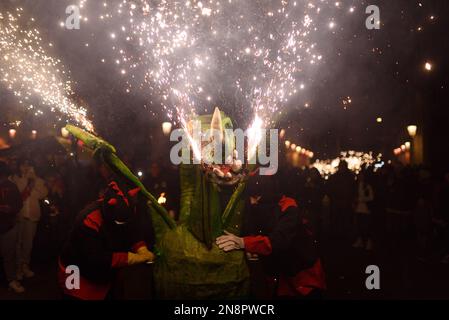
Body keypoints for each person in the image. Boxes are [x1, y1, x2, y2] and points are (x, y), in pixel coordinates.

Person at [217, 175, 326, 299]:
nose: (252, 201)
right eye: (250, 197)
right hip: (282, 276)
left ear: (268, 193)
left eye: (256, 196)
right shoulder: (261, 208)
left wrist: (244, 243)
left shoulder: (289, 207)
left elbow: (279, 240)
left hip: (304, 276)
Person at [58, 180, 155, 300]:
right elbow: (95, 258)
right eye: (119, 222)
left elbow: (132, 230)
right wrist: (132, 258)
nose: (121, 225)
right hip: (76, 271)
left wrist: (142, 249)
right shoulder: (88, 220)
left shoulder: (127, 210)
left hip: (103, 275)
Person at [10, 159, 48, 280]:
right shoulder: (15, 179)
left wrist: (34, 179)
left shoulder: (38, 180)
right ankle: (18, 269)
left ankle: (25, 266)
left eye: (28, 165)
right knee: (18, 243)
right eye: (23, 165)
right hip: (19, 216)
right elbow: (18, 195)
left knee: (28, 243)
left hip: (32, 216)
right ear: (19, 166)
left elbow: (42, 194)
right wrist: (28, 183)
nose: (26, 167)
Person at [0, 161, 25, 293]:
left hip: (8, 226)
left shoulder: (12, 186)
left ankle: (11, 280)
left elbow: (19, 204)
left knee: (9, 255)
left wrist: (10, 209)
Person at [352, 172, 375, 250]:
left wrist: (361, 200)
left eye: (361, 176)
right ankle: (360, 241)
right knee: (359, 226)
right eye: (359, 176)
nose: (360, 177)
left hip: (366, 209)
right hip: (358, 209)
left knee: (366, 226)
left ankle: (368, 241)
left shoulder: (367, 186)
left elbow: (371, 197)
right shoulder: (356, 185)